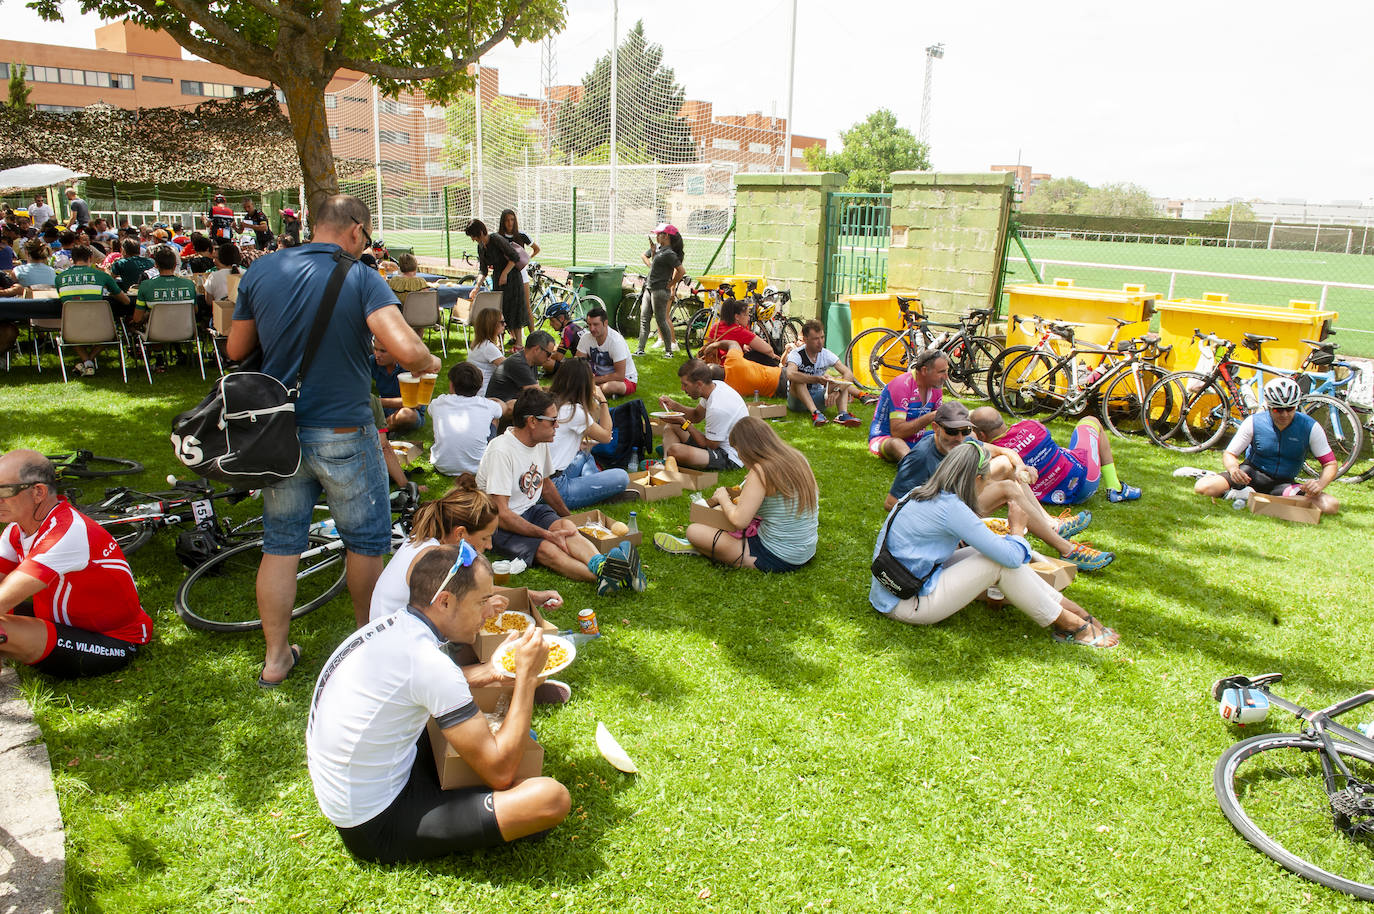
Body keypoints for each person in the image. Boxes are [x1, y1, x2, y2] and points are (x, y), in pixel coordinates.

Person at [226, 194, 442, 687]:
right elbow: (408, 350)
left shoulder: (262, 269)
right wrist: (428, 363)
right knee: (365, 542)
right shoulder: (363, 276)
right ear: (356, 230)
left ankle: (276, 657)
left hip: (279, 432)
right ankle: (370, 648)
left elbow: (237, 347)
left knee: (281, 544)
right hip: (344, 427)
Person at [306, 543, 571, 864]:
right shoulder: (431, 665)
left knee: (476, 733)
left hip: (350, 792)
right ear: (445, 601)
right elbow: (500, 773)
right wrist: (527, 679)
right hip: (375, 824)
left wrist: (488, 673)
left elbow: (416, 682)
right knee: (550, 798)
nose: (490, 613)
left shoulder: (390, 628)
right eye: (482, 602)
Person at [868, 442, 1119, 648]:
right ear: (976, 478)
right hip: (905, 603)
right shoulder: (951, 508)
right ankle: (1071, 624)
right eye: (986, 480)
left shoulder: (918, 493)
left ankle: (1072, 612)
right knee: (998, 561)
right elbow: (1010, 558)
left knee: (997, 551)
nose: (987, 485)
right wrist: (1018, 529)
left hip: (893, 589)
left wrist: (1011, 541)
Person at [885, 402, 1113, 571]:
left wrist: (1023, 470)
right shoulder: (921, 457)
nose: (958, 438)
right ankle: (1067, 550)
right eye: (951, 432)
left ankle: (1051, 525)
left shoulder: (966, 442)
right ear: (935, 427)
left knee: (1007, 468)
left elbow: (1005, 452)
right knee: (1007, 489)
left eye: (964, 431)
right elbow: (892, 503)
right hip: (942, 515)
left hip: (956, 503)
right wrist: (936, 514)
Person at [0, 450, 152, 677]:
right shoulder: (17, 529)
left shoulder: (66, 533)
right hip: (63, 623)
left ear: (38, 492)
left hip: (111, 640)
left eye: (4, 491)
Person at [476, 388, 643, 595]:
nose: (557, 426)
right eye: (552, 421)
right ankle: (610, 578)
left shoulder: (539, 442)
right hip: (499, 523)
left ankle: (602, 565)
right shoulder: (501, 451)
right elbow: (502, 513)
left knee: (567, 527)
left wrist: (570, 518)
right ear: (532, 422)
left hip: (530, 510)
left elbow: (546, 485)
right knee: (547, 549)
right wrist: (546, 534)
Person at [367, 476, 563, 626]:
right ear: (461, 533)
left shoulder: (434, 542)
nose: (489, 546)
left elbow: (471, 589)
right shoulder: (434, 559)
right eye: (485, 538)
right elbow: (457, 614)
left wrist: (533, 596)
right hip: (397, 642)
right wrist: (485, 607)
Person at [657, 418, 818, 573]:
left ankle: (701, 548)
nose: (739, 456)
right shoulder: (798, 458)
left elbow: (739, 520)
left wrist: (722, 497)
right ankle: (709, 547)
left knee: (694, 531)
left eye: (738, 450)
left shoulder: (761, 471)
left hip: (777, 555)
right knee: (715, 526)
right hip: (806, 549)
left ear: (748, 449)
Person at [1191, 377, 1340, 514]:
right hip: (1250, 475)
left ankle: (1248, 497)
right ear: (1268, 406)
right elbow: (1230, 454)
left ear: (1297, 406)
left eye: (1290, 409)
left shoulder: (1310, 427)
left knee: (1330, 505)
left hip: (1283, 484)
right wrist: (1234, 469)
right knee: (1202, 487)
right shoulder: (1254, 422)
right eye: (1278, 409)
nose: (1285, 415)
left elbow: (1330, 463)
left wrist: (1320, 484)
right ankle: (1249, 495)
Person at [970, 407, 1142, 506]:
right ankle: (1115, 488)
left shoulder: (992, 458)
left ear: (981, 435)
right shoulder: (1032, 425)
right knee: (1091, 420)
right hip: (1085, 481)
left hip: (1054, 498)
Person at [548, 359, 630, 508]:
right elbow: (606, 436)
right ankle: (599, 491)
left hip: (544, 479)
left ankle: (596, 487)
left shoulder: (552, 402)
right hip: (557, 488)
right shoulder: (573, 412)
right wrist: (603, 401)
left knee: (585, 454)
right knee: (622, 476)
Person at [657, 358, 750, 471]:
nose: (682, 389)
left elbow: (709, 445)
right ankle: (666, 462)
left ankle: (670, 455)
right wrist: (674, 405)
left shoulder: (717, 407)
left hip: (730, 456)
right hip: (716, 444)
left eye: (685, 385)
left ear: (699, 384)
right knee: (672, 427)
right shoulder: (715, 386)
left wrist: (683, 422)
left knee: (675, 450)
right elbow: (696, 415)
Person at [56, 244, 130, 376]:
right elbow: (126, 301)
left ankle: (87, 363)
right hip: (102, 329)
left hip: (71, 330)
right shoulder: (102, 276)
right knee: (112, 332)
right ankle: (89, 361)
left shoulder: (59, 278)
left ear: (72, 259)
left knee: (72, 331)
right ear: (91, 258)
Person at [868, 348, 947, 462]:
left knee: (961, 436)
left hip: (917, 439)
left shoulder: (936, 387)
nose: (946, 377)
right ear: (924, 371)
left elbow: (941, 423)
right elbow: (897, 432)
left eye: (946, 371)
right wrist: (932, 416)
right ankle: (912, 467)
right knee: (896, 444)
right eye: (941, 372)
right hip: (886, 438)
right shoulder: (902, 385)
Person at [466, 219, 533, 347]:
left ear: (480, 232)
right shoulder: (481, 247)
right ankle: (500, 343)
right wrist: (477, 286)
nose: (473, 239)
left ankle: (519, 344)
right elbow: (483, 270)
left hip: (512, 277)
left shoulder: (496, 239)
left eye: (473, 236)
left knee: (514, 310)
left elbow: (514, 257)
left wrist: (505, 273)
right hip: (498, 279)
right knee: (499, 311)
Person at [430, 363, 504, 476]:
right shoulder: (487, 405)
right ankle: (487, 450)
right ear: (480, 386)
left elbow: (431, 411)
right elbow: (502, 409)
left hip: (442, 466)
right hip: (478, 468)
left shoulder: (438, 403)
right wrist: (492, 400)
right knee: (494, 418)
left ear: (451, 384)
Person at [785, 320, 862, 427]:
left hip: (819, 397)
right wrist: (816, 379)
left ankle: (842, 414)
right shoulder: (797, 354)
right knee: (798, 380)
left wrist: (837, 391)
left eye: (822, 337)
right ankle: (815, 414)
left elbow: (848, 374)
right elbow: (790, 374)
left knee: (841, 379)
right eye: (816, 339)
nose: (820, 342)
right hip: (797, 401)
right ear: (806, 340)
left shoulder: (826, 354)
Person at [635, 223, 684, 358]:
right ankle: (640, 349)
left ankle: (669, 351)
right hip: (649, 288)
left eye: (658, 234)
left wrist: (671, 285)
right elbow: (650, 261)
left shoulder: (669, 253)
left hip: (659, 290)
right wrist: (653, 256)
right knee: (644, 319)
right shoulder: (659, 249)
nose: (656, 237)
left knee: (661, 320)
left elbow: (681, 271)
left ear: (666, 236)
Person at [576, 307, 639, 397]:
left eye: (595, 324)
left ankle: (589, 392)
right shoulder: (586, 338)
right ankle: (594, 391)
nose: (592, 328)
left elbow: (620, 376)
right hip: (598, 377)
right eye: (589, 324)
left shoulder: (616, 341)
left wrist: (592, 380)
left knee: (609, 387)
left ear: (605, 323)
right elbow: (577, 362)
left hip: (625, 379)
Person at [131, 245, 197, 327]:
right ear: (174, 265)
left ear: (156, 265)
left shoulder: (145, 285)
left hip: (155, 335)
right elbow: (195, 311)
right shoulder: (189, 284)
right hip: (186, 332)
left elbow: (137, 318)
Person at [369, 337, 425, 434]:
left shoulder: (411, 366)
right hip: (383, 410)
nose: (377, 355)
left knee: (406, 415)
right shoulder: (373, 361)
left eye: (383, 351)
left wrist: (378, 402)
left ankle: (377, 433)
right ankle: (387, 429)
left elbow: (417, 403)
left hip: (410, 411)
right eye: (375, 349)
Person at [699, 297, 776, 366]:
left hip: (714, 365)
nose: (748, 318)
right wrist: (773, 356)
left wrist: (743, 346)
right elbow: (768, 349)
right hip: (730, 368)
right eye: (746, 315)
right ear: (737, 317)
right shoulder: (739, 331)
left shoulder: (716, 326)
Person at [487, 330, 556, 404]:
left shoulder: (531, 362)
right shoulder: (518, 364)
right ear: (536, 349)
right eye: (548, 354)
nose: (549, 358)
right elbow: (538, 396)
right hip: (500, 411)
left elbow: (537, 389)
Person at [498, 209, 540, 325]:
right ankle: (512, 335)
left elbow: (536, 248)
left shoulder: (521, 235)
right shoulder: (499, 237)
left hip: (520, 273)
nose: (509, 223)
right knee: (506, 306)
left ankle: (533, 335)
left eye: (512, 220)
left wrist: (526, 259)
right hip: (505, 275)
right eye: (506, 220)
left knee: (526, 306)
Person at [466, 305, 506, 398]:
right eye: (502, 322)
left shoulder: (480, 344)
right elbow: (509, 367)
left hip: (475, 391)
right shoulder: (488, 348)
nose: (505, 324)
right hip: (485, 394)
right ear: (493, 325)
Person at [544, 301, 583, 376]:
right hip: (586, 365)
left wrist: (544, 356)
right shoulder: (574, 327)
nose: (550, 324)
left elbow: (558, 356)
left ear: (561, 318)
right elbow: (559, 348)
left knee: (546, 362)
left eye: (552, 321)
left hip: (581, 370)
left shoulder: (567, 331)